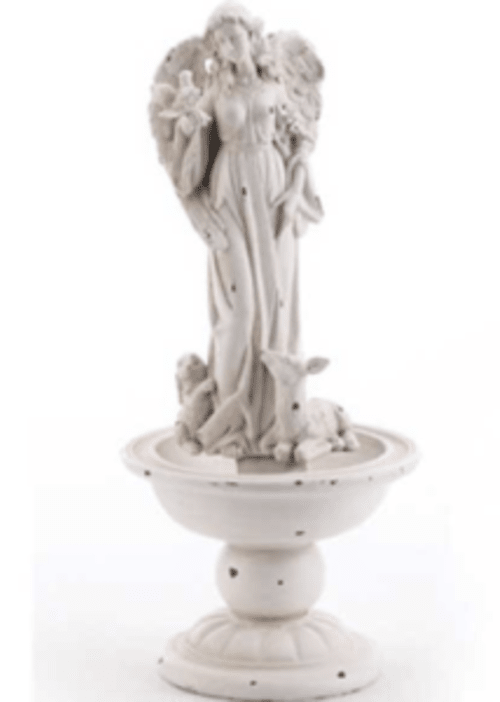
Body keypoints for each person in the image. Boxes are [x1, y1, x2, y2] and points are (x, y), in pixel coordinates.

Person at [154, 3, 323, 458]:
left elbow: (302, 138)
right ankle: (230, 421)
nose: (229, 46)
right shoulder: (214, 92)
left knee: (277, 300)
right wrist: (186, 127)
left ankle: (276, 421)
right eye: (221, 42)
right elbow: (190, 145)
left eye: (235, 37)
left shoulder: (274, 86)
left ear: (251, 36)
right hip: (229, 194)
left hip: (272, 193)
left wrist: (296, 189)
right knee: (242, 309)